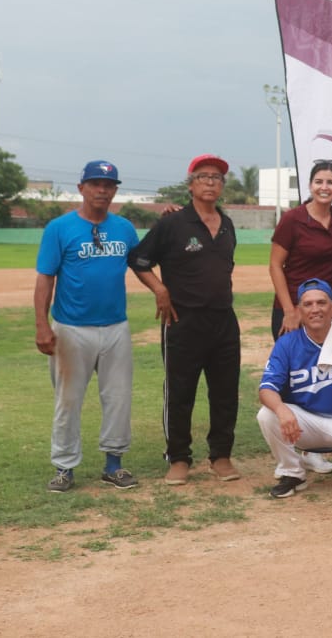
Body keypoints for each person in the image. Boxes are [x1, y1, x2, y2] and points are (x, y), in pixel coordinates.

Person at [129, 154, 242, 486]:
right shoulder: (172, 223)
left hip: (223, 320)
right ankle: (178, 458)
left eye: (217, 178)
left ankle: (221, 456)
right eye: (204, 176)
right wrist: (160, 290)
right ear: (191, 184)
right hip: (182, 321)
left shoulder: (228, 224)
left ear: (222, 187)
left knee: (225, 392)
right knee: (179, 392)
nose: (210, 182)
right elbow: (138, 260)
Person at [35, 160, 141, 492]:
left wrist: (167, 224)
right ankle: (64, 466)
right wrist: (41, 325)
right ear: (81, 188)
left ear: (115, 191)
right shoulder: (59, 228)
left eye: (108, 185)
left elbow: (144, 263)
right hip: (70, 328)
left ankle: (114, 464)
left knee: (119, 397)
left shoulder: (124, 228)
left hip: (115, 327)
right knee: (68, 399)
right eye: (95, 184)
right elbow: (45, 279)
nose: (102, 190)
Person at [257, 279, 332, 498]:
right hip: (305, 422)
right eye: (308, 304)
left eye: (321, 303)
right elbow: (266, 388)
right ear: (299, 311)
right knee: (267, 414)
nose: (315, 309)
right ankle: (292, 473)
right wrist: (283, 411)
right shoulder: (287, 343)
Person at [269, 159, 332, 339]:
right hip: (296, 309)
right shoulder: (293, 219)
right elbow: (275, 265)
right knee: (295, 366)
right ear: (310, 186)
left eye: (331, 182)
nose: (324, 187)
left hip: (328, 310)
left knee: (330, 365)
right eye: (318, 182)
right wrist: (290, 311)